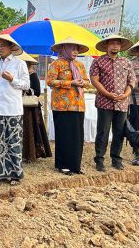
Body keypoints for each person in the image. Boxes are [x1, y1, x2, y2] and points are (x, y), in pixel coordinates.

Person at [0, 34, 30, 185]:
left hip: (13, 109)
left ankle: (15, 175)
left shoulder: (19, 64)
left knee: (13, 142)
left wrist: (12, 79)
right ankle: (0, 174)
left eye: (2, 45)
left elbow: (26, 85)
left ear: (11, 47)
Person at [90, 34, 136, 172]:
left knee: (119, 132)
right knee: (103, 131)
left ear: (120, 46)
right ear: (107, 46)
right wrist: (108, 94)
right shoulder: (98, 62)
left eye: (117, 44)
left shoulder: (126, 62)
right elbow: (94, 80)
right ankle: (99, 159)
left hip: (122, 103)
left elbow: (132, 81)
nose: (115, 46)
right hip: (105, 102)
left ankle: (116, 159)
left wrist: (126, 94)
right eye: (112, 43)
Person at [47, 37, 90, 175]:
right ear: (64, 49)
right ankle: (63, 165)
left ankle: (75, 165)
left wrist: (82, 83)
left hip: (78, 105)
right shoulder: (56, 64)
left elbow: (87, 82)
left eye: (76, 48)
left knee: (77, 137)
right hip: (62, 106)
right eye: (72, 48)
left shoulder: (80, 65)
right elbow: (50, 81)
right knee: (64, 136)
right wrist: (71, 83)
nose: (75, 51)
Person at [19, 52, 51, 164]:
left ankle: (31, 154)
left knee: (30, 131)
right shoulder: (17, 75)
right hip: (18, 106)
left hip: (30, 109)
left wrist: (25, 90)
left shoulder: (32, 75)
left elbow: (37, 92)